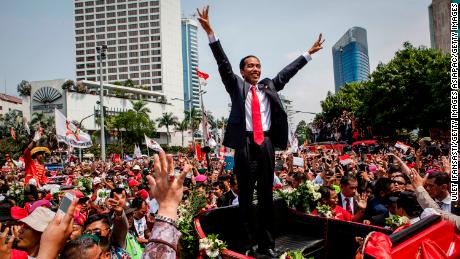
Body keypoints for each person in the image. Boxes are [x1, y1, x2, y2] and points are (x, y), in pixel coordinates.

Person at [197, 6, 324, 256]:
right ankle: (246, 246)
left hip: (266, 144)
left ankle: (267, 247)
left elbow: (287, 73)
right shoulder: (236, 86)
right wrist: (211, 32)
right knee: (245, 198)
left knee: (266, 197)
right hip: (244, 145)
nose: (255, 69)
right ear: (243, 71)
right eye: (250, 66)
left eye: (258, 65)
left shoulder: (269, 86)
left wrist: (307, 54)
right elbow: (223, 63)